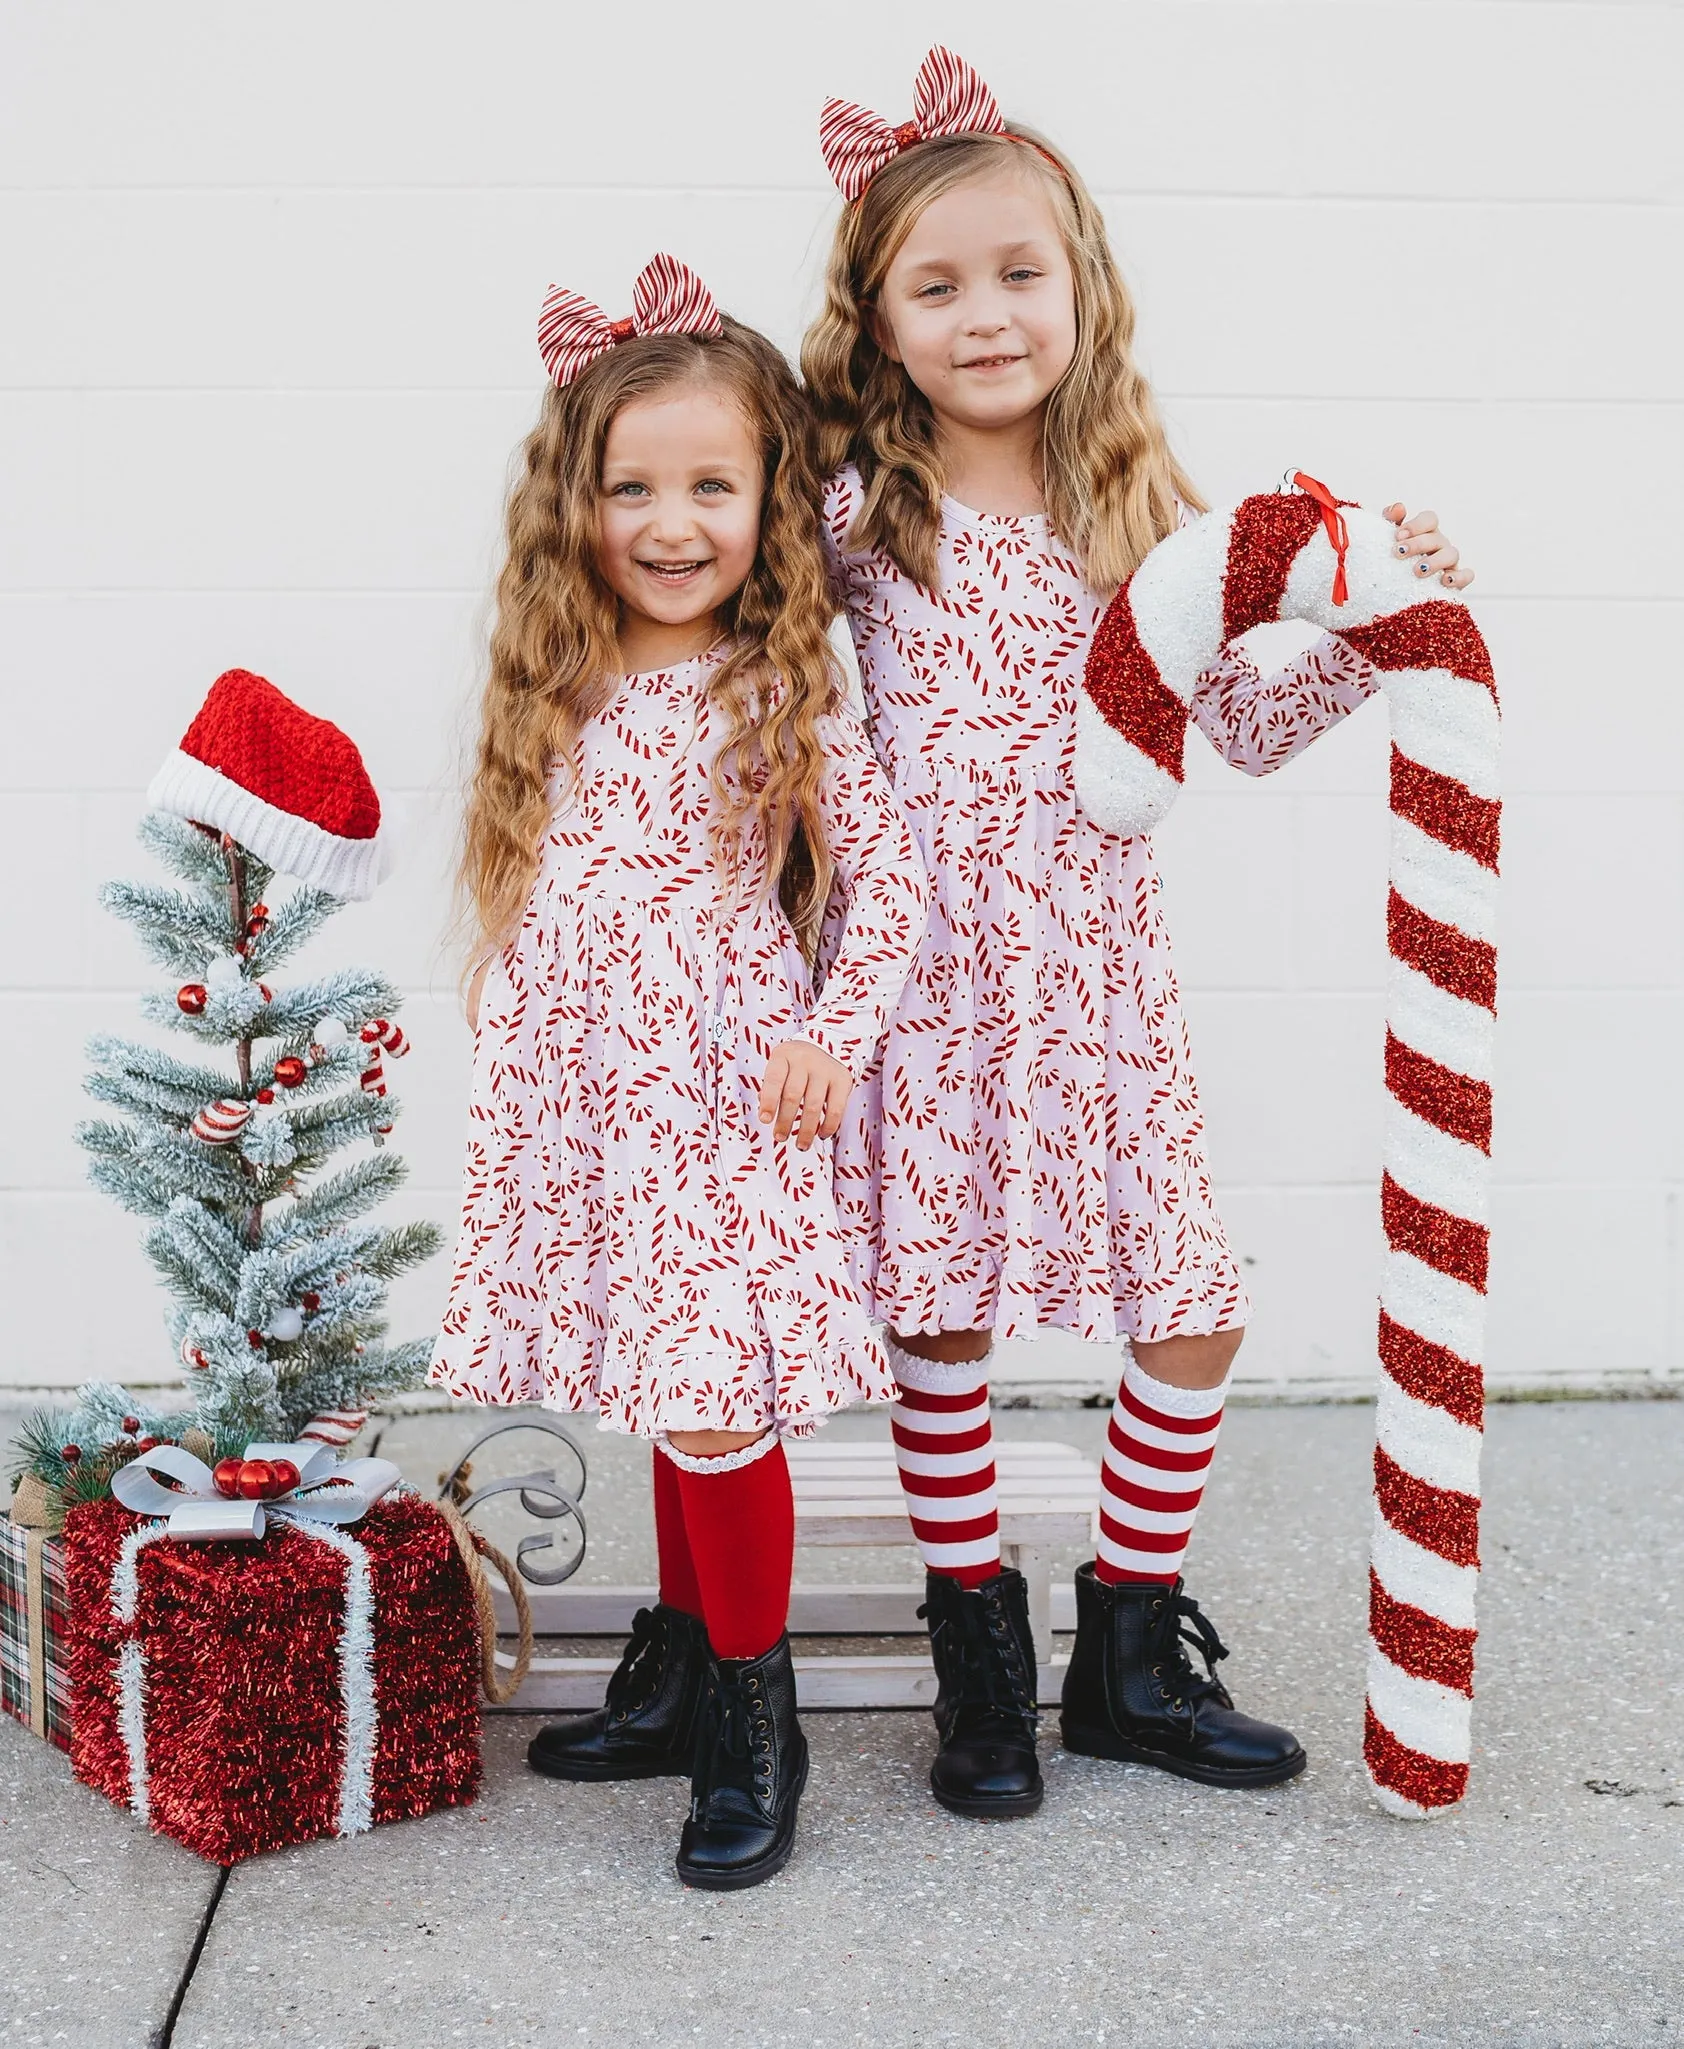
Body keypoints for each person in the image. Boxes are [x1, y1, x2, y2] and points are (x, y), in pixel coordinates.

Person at [801, 49, 1474, 1818]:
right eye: (936, 286)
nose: (987, 315)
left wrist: (1375, 611)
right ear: (877, 320)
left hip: (1098, 987)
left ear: (1082, 283)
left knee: (1187, 1305)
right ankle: (979, 1662)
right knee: (937, 1321)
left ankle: (1126, 1646)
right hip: (920, 988)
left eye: (1020, 273)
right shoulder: (855, 516)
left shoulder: (1141, 516)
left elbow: (1237, 727)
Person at [431, 255, 928, 1888]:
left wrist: (833, 1038)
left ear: (771, 498)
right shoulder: (559, 674)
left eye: (711, 484)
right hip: (594, 1083)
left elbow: (891, 877)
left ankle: (754, 1724)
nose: (668, 523)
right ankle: (681, 1667)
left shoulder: (779, 677)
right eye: (630, 486)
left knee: (721, 1399)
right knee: (667, 1378)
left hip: (723, 1080)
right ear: (574, 503)